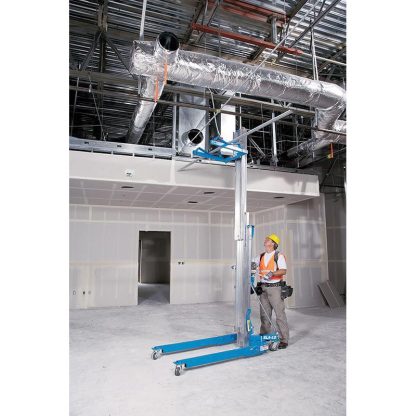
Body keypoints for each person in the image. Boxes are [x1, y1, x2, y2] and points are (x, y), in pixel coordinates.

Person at [252, 234, 289, 349]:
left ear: (273, 243)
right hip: (263, 288)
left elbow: (283, 270)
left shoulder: (278, 256)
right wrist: (251, 265)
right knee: (264, 314)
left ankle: (284, 340)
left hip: (275, 288)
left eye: (267, 239)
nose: (265, 240)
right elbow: (252, 265)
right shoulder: (261, 256)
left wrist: (272, 273)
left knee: (280, 315)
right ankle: (265, 336)